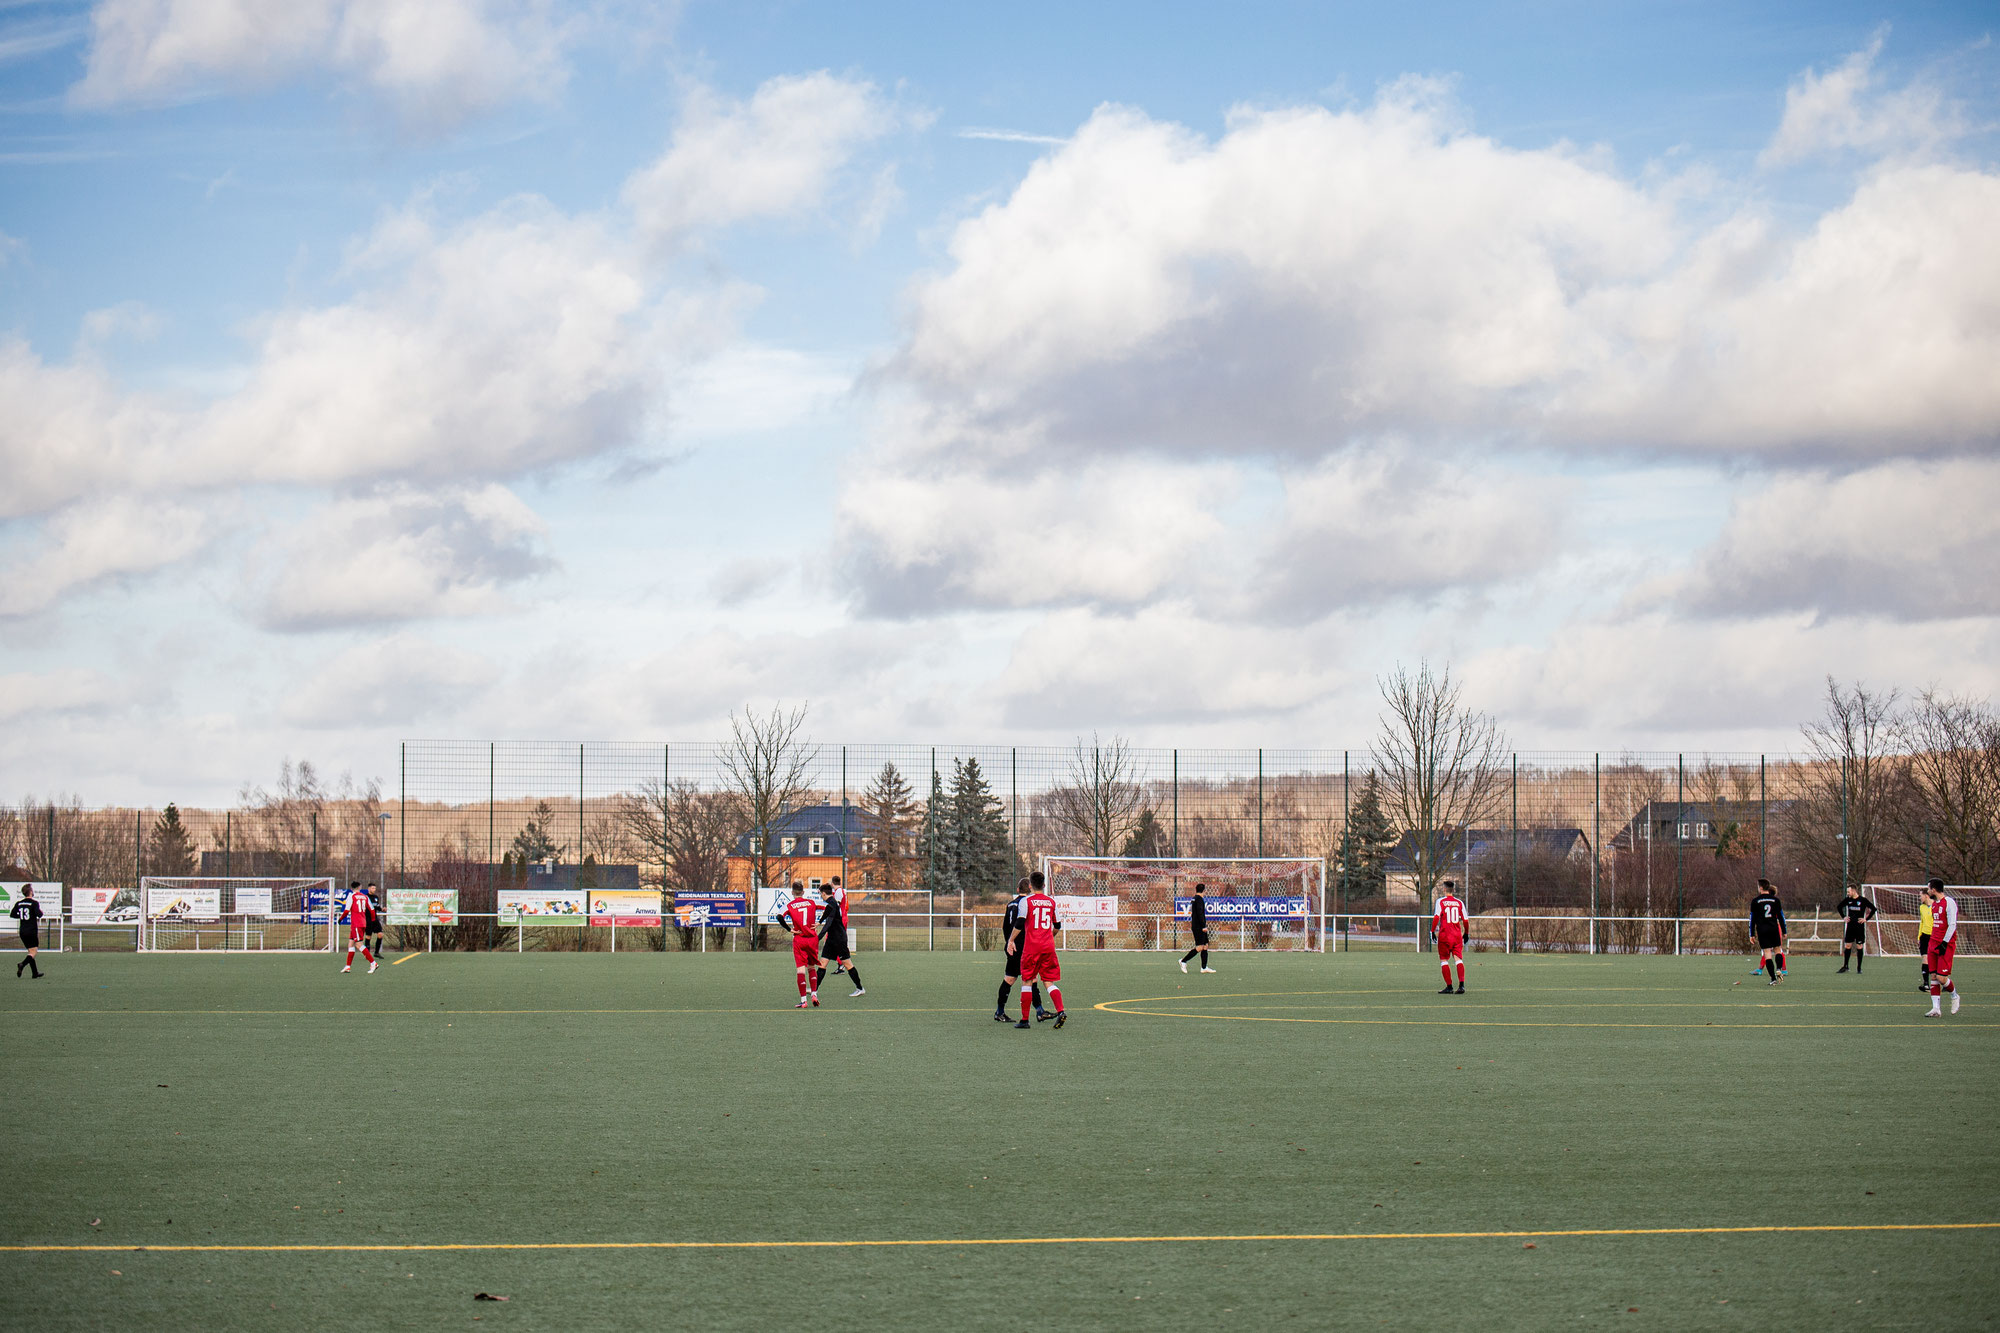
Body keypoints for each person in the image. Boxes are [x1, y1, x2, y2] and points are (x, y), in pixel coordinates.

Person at [1015, 871, 1066, 1030]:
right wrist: (1050, 936)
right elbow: (1057, 926)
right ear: (1043, 885)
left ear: (1030, 885)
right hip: (1048, 947)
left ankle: (1024, 1020)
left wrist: (1011, 940)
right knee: (1048, 982)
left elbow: (1020, 923)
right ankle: (1061, 1011)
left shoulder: (1026, 901)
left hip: (1032, 947)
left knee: (1027, 981)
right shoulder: (1051, 902)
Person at [995, 878, 1048, 1023]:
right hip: (1025, 947)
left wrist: (1009, 943)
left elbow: (1006, 927)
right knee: (1032, 979)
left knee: (1010, 979)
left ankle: (1000, 1011)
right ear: (1030, 888)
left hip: (1012, 947)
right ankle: (1039, 1011)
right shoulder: (1028, 904)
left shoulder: (1010, 904)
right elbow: (1025, 925)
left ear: (1018, 890)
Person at [816, 883, 864, 997]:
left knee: (847, 964)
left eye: (820, 894)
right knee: (822, 964)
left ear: (823, 893)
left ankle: (860, 988)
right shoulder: (830, 903)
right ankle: (814, 990)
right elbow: (826, 915)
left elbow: (829, 922)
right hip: (831, 939)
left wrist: (818, 937)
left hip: (839, 939)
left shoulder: (832, 903)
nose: (820, 896)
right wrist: (819, 922)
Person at [1924, 881, 1961, 1018]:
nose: (1927, 891)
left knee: (1941, 977)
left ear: (1933, 890)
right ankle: (1936, 1009)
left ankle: (1954, 995)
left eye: (1928, 888)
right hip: (1933, 943)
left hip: (1945, 944)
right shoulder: (1934, 905)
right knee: (1933, 976)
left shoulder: (1949, 902)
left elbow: (1952, 924)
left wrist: (1945, 943)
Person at [780, 882, 821, 1008]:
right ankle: (814, 994)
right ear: (803, 892)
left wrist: (789, 929)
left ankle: (804, 1000)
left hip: (799, 939)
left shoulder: (789, 905)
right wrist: (820, 922)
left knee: (800, 970)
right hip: (812, 939)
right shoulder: (811, 903)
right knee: (812, 967)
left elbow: (779, 917)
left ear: (792, 892)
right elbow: (829, 908)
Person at [1432, 880, 1468, 995]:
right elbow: (1466, 920)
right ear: (1453, 890)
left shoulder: (1440, 901)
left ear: (1444, 889)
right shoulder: (1459, 903)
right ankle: (1461, 986)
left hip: (1445, 936)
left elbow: (1437, 917)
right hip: (1457, 935)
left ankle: (1449, 987)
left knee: (1444, 960)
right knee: (1458, 959)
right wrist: (1466, 933)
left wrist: (1432, 931)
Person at [1748, 879, 1786, 985]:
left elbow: (1752, 919)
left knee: (1767, 953)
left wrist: (1752, 934)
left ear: (1760, 888)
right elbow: (1781, 917)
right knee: (1778, 950)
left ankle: (1773, 979)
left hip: (1762, 930)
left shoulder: (1755, 901)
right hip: (1773, 928)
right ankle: (1779, 968)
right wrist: (1784, 930)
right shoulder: (1775, 900)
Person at [1835, 884, 1877, 974]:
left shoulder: (1863, 900)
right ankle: (1845, 966)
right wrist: (1844, 917)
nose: (1848, 893)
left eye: (1848, 891)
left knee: (1859, 946)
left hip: (1859, 928)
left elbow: (1873, 909)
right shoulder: (1848, 900)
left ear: (1853, 891)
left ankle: (1859, 968)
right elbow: (1839, 907)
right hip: (1850, 927)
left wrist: (1866, 919)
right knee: (1847, 946)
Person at [1179, 883, 1216, 974]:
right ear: (1204, 890)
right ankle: (1183, 961)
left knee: (1205, 946)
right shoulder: (1199, 899)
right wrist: (1203, 926)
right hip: (1198, 927)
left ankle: (1204, 967)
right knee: (1200, 947)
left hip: (1198, 925)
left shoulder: (1194, 898)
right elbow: (1200, 913)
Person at [342, 883, 376, 974]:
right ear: (360, 887)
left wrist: (340, 919)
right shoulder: (365, 896)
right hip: (361, 923)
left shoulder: (351, 896)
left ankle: (373, 963)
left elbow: (346, 910)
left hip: (356, 924)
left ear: (351, 888)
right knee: (351, 944)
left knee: (358, 945)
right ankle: (348, 966)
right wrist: (372, 920)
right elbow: (372, 910)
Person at [11, 885, 45, 979]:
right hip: (31, 931)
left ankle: (35, 973)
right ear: (30, 891)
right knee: (33, 952)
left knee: (30, 951)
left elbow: (12, 914)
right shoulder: (34, 903)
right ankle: (22, 964)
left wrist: (23, 917)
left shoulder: (19, 903)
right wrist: (36, 913)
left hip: (22, 931)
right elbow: (39, 914)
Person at [1917, 883, 1936, 993]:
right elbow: (1922, 922)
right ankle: (1926, 984)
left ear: (1926, 896)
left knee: (1934, 960)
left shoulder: (1936, 906)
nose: (1920, 897)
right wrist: (1919, 936)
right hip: (1924, 936)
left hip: (1934, 936)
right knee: (1925, 959)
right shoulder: (1922, 907)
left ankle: (1942, 981)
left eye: (1921, 895)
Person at [363, 881, 386, 961]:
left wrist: (382, 909)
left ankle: (376, 952)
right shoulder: (365, 897)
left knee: (380, 934)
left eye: (375, 888)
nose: (374, 889)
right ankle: (367, 954)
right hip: (367, 919)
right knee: (368, 936)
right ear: (369, 888)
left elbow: (377, 907)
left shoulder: (376, 897)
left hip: (375, 919)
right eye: (373, 888)